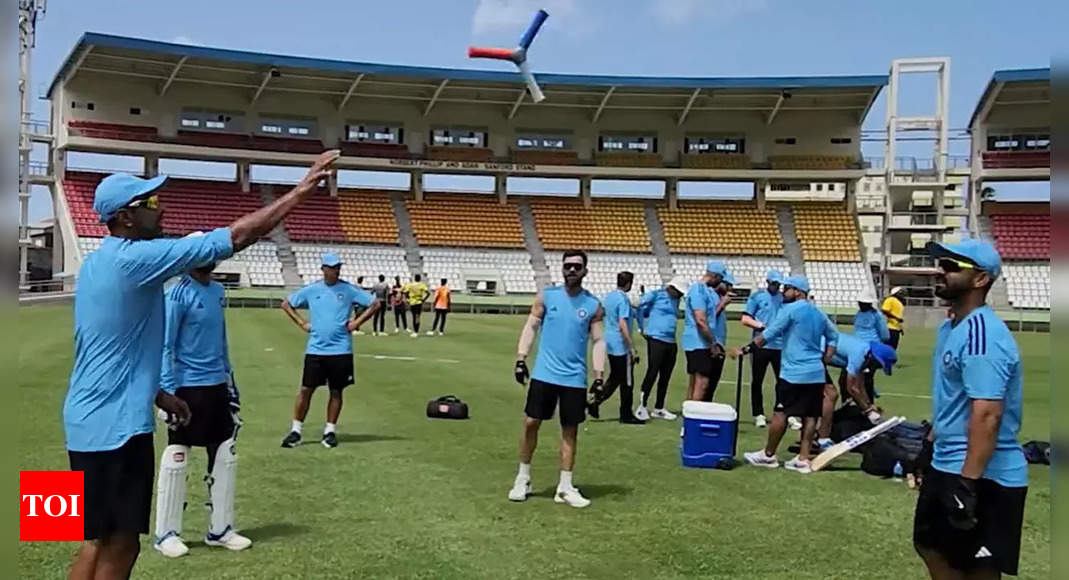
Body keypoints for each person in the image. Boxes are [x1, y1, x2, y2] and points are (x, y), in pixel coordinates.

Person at [63, 150, 339, 580]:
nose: (162, 209)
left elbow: (109, 345)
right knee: (114, 543)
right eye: (150, 204)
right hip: (112, 429)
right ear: (126, 218)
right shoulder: (134, 259)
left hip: (90, 421)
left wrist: (158, 392)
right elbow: (235, 237)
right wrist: (300, 193)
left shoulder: (101, 261)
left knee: (100, 538)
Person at [913, 239, 1027, 579]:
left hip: (982, 474)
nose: (941, 271)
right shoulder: (952, 328)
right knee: (929, 544)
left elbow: (987, 414)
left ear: (980, 280)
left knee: (978, 567)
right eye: (941, 265)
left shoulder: (982, 334)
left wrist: (967, 484)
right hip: (947, 462)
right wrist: (928, 448)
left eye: (951, 267)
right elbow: (953, 401)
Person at [153, 254, 251, 558]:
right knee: (178, 453)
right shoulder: (177, 293)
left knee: (224, 453)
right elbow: (166, 345)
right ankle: (166, 534)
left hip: (215, 385)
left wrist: (229, 381)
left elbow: (221, 341)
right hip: (186, 387)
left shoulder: (217, 291)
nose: (208, 261)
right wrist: (167, 391)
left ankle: (220, 530)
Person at [509, 250, 605, 508]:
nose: (572, 270)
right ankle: (523, 478)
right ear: (562, 269)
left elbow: (598, 340)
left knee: (570, 430)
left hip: (574, 378)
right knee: (531, 423)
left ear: (585, 271)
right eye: (568, 266)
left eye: (577, 266)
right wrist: (521, 359)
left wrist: (599, 375)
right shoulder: (546, 296)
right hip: (544, 374)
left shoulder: (593, 305)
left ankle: (565, 486)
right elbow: (530, 327)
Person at [730, 275, 838, 474]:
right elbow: (833, 337)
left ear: (797, 291)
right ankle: (803, 459)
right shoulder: (818, 312)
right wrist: (825, 360)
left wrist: (745, 350)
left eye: (787, 288)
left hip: (793, 372)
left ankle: (768, 455)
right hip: (815, 372)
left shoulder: (790, 310)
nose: (783, 292)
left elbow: (770, 333)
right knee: (810, 415)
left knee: (781, 412)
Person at [279, 252, 381, 449]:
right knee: (306, 389)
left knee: (336, 391)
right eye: (332, 267)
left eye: (337, 267)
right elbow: (286, 304)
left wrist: (357, 322)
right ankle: (296, 430)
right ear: (323, 269)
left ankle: (330, 430)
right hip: (316, 349)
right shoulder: (312, 290)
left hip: (340, 349)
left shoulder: (348, 290)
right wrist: (302, 323)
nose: (335, 271)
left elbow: (375, 303)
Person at [815, 333, 898, 448]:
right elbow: (851, 387)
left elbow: (860, 385)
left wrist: (869, 405)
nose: (876, 368)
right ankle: (822, 439)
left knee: (829, 395)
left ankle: (819, 435)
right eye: (879, 365)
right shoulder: (860, 353)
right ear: (875, 358)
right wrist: (868, 411)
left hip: (818, 355)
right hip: (812, 353)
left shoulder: (865, 353)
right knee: (831, 395)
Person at [587, 271, 644, 424]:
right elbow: (622, 323)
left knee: (616, 377)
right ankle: (625, 414)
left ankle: (595, 401)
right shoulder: (623, 300)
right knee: (627, 381)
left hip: (610, 341)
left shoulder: (610, 297)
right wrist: (631, 347)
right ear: (629, 284)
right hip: (620, 344)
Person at [634, 276, 687, 421]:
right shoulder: (656, 295)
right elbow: (639, 307)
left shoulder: (677, 300)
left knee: (665, 376)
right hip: (656, 339)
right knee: (652, 372)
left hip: (671, 340)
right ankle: (642, 406)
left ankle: (659, 407)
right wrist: (641, 328)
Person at [740, 269, 785, 428]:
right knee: (757, 380)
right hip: (760, 344)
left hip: (780, 346)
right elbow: (745, 318)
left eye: (778, 284)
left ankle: (782, 410)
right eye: (774, 283)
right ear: (767, 282)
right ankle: (758, 413)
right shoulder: (757, 297)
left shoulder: (783, 299)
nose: (776, 286)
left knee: (782, 380)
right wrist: (761, 325)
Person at [682, 260, 727, 403]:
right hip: (698, 342)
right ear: (714, 276)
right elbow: (700, 320)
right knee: (702, 383)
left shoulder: (705, 291)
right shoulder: (698, 290)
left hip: (700, 342)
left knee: (696, 382)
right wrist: (712, 343)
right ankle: (694, 417)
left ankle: (689, 416)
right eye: (720, 278)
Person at [699, 271, 735, 403]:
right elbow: (709, 317)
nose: (730, 288)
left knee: (713, 381)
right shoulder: (712, 296)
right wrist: (722, 304)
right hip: (711, 342)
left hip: (718, 342)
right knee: (706, 381)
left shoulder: (718, 296)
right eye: (728, 285)